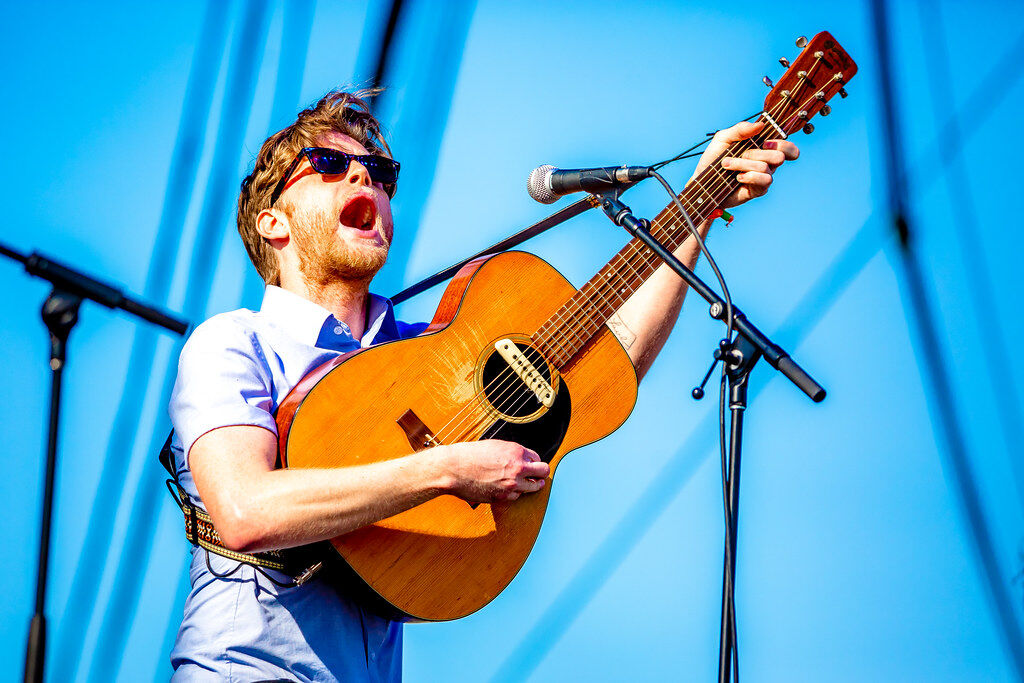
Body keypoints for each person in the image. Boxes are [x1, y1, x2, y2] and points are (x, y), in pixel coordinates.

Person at [166, 89, 798, 681]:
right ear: (273, 221)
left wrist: (700, 206)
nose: (366, 178)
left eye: (382, 175)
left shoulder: (429, 349)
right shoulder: (233, 343)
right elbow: (247, 510)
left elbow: (614, 362)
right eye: (330, 163)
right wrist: (445, 471)